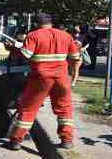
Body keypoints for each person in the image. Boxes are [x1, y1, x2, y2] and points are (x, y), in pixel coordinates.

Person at [5, 13, 81, 151]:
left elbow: (25, 55)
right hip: (62, 78)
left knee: (28, 108)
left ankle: (15, 141)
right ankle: (67, 140)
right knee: (64, 109)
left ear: (35, 24)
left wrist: (12, 49)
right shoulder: (66, 35)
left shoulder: (34, 35)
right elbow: (75, 57)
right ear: (51, 22)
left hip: (40, 79)